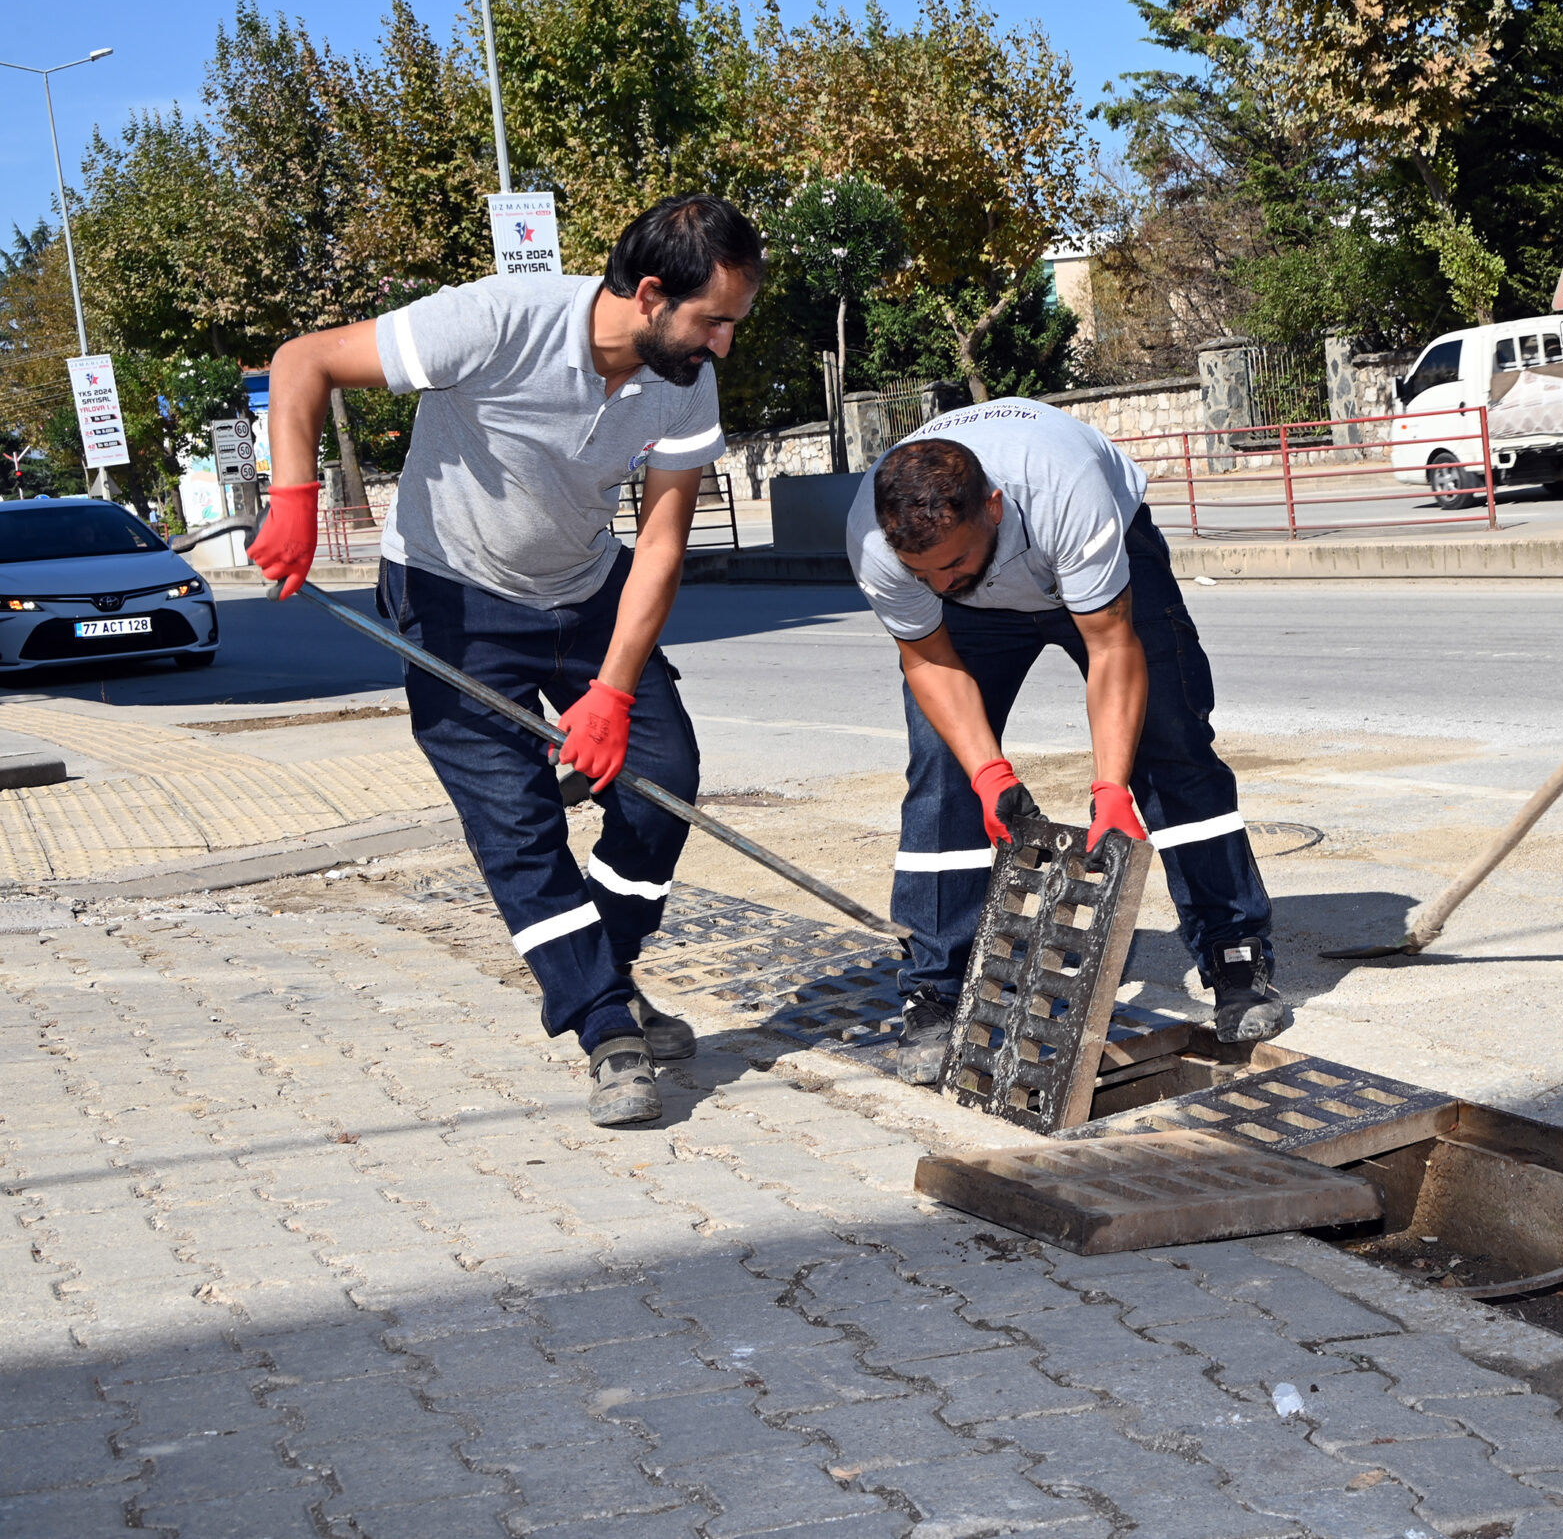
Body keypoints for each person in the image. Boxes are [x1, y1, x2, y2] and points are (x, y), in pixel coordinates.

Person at [246, 194, 765, 1124]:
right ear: (650, 293)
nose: (724, 343)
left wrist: (610, 691)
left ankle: (600, 965)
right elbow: (304, 360)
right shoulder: (492, 322)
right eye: (714, 320)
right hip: (452, 597)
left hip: (586, 586)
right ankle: (607, 1026)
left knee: (663, 778)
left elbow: (660, 544)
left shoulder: (683, 378)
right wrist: (293, 494)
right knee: (517, 821)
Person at [847, 399, 1289, 1083]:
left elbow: (1113, 646)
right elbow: (929, 659)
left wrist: (1110, 789)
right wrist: (989, 773)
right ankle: (937, 984)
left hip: (1087, 562)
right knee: (943, 770)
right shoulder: (878, 542)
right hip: (977, 619)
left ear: (992, 506)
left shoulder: (1065, 492)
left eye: (952, 562)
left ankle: (1234, 949)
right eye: (922, 573)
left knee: (1169, 742)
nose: (941, 583)